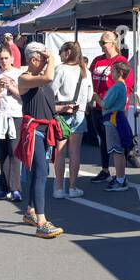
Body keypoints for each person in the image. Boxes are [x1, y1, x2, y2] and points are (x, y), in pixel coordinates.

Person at [16, 43, 64, 238]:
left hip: (46, 128)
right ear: (33, 59)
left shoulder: (40, 82)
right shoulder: (24, 78)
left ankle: (30, 211)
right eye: (43, 59)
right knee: (42, 172)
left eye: (46, 59)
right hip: (34, 130)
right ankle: (41, 222)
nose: (46, 62)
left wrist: (64, 109)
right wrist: (52, 58)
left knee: (38, 171)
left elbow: (47, 104)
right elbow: (49, 76)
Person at [87, 30, 133, 185]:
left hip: (113, 108)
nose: (101, 46)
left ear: (113, 43)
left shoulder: (121, 62)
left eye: (103, 43)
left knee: (117, 142)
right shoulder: (97, 61)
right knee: (103, 139)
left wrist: (122, 102)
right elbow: (88, 78)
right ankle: (105, 170)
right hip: (97, 107)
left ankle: (120, 174)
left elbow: (128, 84)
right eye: (100, 43)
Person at [52, 41, 92, 198]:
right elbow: (89, 97)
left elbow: (51, 91)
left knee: (59, 152)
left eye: (61, 51)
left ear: (68, 52)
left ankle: (60, 188)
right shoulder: (85, 71)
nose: (60, 54)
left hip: (62, 112)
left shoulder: (60, 69)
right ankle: (73, 187)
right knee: (75, 152)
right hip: (79, 112)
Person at [0, 45, 23, 202]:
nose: (3, 61)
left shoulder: (19, 73)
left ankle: (15, 188)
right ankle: (4, 187)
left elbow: (24, 96)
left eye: (6, 58)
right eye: (1, 58)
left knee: (14, 151)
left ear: (12, 59)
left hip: (15, 115)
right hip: (0, 114)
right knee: (3, 152)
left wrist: (11, 86)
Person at [100, 60, 133, 192]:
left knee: (117, 151)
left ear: (119, 73)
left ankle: (121, 179)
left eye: (113, 71)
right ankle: (120, 177)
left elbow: (105, 104)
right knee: (117, 151)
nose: (110, 73)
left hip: (113, 118)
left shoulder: (118, 86)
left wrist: (95, 96)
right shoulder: (121, 86)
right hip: (116, 118)